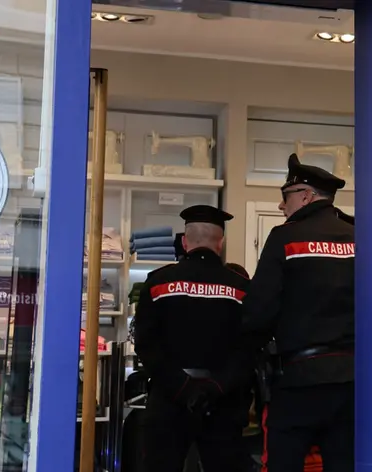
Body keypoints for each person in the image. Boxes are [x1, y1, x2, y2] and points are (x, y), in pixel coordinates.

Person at [240, 154, 355, 472]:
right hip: (352, 381)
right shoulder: (357, 236)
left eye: (285, 196)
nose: (281, 205)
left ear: (306, 196)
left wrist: (249, 356)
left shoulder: (285, 237)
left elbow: (258, 312)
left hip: (299, 380)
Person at [133, 205, 252, 472]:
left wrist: (182, 387)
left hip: (168, 399)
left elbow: (146, 344)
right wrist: (216, 386)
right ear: (220, 243)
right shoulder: (242, 287)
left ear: (185, 242)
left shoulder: (158, 282)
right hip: (223, 402)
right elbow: (249, 347)